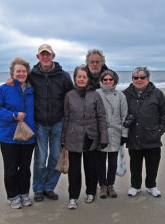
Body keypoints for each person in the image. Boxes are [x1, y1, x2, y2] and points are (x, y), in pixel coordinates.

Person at [27, 44, 73, 202]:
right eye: (42, 55)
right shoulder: (31, 75)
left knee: (55, 157)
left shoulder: (64, 76)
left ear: (53, 56)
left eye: (48, 54)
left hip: (58, 123)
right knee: (40, 158)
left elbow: (71, 98)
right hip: (39, 123)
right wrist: (10, 81)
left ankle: (49, 187)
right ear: (38, 57)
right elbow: (19, 84)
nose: (45, 57)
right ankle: (38, 188)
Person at [0, 57, 37, 209]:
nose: (21, 74)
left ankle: (24, 194)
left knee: (25, 168)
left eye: (24, 71)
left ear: (27, 73)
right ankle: (13, 197)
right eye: (18, 71)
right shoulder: (4, 88)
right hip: (9, 136)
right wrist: (13, 116)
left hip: (28, 136)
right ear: (12, 73)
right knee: (10, 169)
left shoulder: (32, 90)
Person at [61, 64, 108, 209]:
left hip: (91, 135)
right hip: (73, 135)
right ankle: (73, 197)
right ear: (75, 78)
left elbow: (101, 117)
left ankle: (91, 192)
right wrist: (63, 139)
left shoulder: (95, 95)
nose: (81, 79)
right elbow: (66, 118)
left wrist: (104, 137)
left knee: (91, 167)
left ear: (88, 79)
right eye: (79, 76)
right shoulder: (69, 95)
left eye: (84, 77)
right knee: (74, 170)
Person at [123, 67, 165, 198]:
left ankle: (151, 186)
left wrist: (159, 131)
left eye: (142, 77)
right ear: (132, 79)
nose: (139, 80)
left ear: (147, 79)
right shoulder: (125, 94)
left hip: (152, 137)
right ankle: (135, 186)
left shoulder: (157, 94)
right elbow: (120, 113)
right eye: (135, 77)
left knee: (152, 164)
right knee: (135, 164)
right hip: (133, 137)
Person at [95, 69, 128, 199]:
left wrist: (124, 134)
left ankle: (111, 185)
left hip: (116, 131)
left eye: (110, 79)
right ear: (101, 81)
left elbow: (124, 115)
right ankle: (102, 186)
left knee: (113, 162)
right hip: (101, 133)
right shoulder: (96, 94)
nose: (108, 82)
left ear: (115, 80)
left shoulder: (120, 95)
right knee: (101, 162)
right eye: (105, 79)